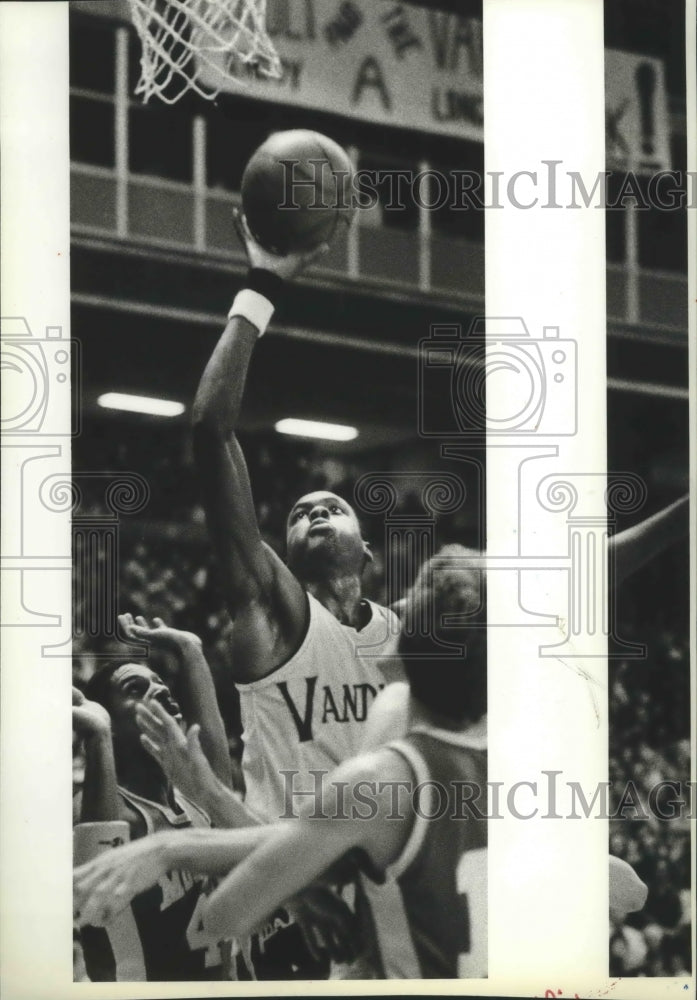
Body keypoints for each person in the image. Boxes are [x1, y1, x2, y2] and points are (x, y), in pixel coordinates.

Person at [74, 582, 488, 979]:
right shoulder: (484, 751)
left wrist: (171, 849)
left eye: (409, 604)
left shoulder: (378, 771)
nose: (394, 606)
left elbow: (227, 911)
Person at [190, 211, 403, 974]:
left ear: (367, 551)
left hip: (390, 898)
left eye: (332, 506)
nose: (314, 507)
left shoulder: (408, 637)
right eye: (299, 512)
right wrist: (261, 286)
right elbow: (212, 429)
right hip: (287, 902)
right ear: (278, 554)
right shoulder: (276, 616)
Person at [72, 614, 236, 982]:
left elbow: (211, 758)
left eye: (161, 684)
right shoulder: (99, 810)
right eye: (135, 689)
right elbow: (102, 917)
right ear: (110, 723)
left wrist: (189, 649)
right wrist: (97, 738)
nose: (161, 692)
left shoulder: (195, 797)